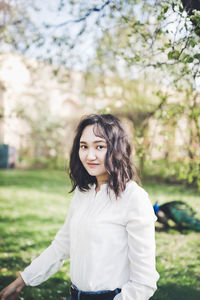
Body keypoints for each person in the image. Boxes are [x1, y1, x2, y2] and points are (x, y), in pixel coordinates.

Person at [0, 114, 159, 300]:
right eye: (84, 146)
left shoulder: (134, 198)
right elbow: (61, 246)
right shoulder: (84, 193)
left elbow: (144, 282)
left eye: (100, 146)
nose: (89, 155)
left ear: (117, 149)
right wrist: (22, 280)